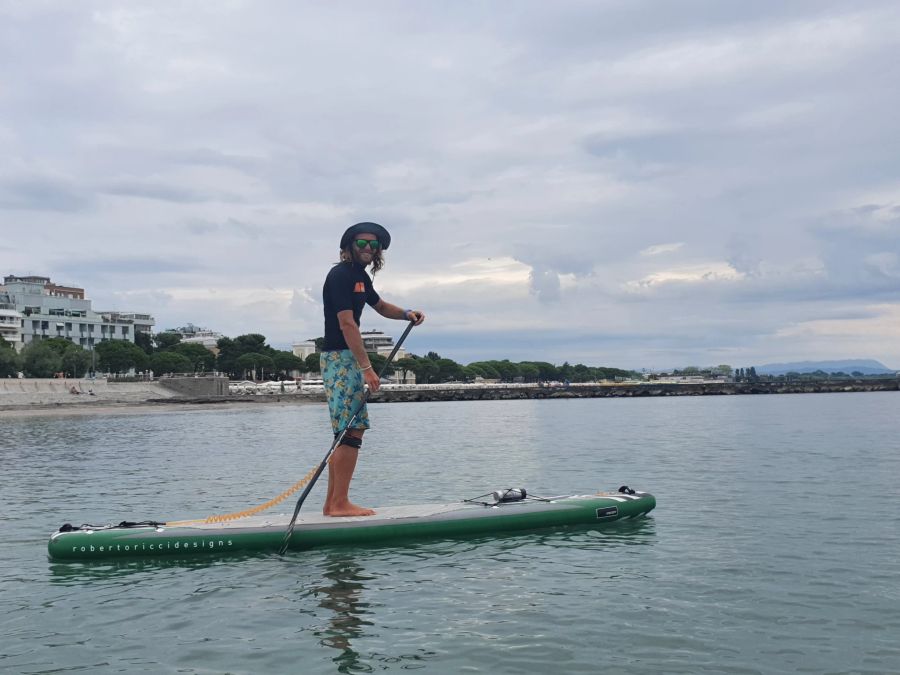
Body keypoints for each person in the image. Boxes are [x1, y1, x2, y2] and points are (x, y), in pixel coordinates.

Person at [320, 222, 425, 517]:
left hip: (346, 357)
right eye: (363, 243)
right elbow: (347, 323)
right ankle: (339, 503)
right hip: (339, 358)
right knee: (351, 429)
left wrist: (406, 314)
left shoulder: (359, 278)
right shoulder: (340, 275)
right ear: (350, 246)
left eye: (374, 245)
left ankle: (333, 504)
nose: (369, 249)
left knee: (350, 430)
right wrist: (367, 367)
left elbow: (379, 306)